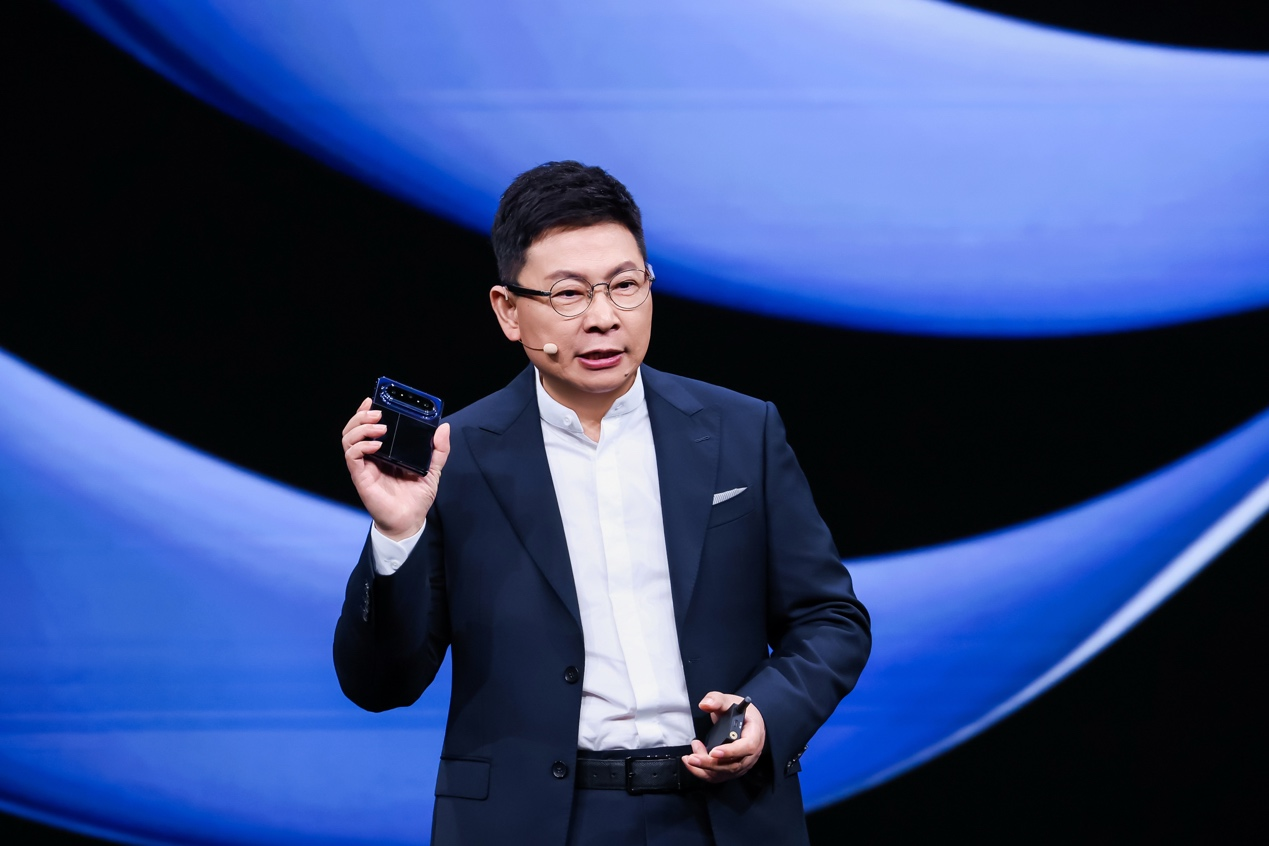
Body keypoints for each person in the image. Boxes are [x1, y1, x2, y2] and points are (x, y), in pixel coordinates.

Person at [334, 161, 871, 845]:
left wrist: (767, 712)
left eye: (624, 285)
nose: (602, 318)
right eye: (568, 293)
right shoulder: (453, 458)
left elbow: (829, 618)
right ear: (507, 310)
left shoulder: (742, 430)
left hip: (720, 815)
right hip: (532, 826)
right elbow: (380, 685)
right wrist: (395, 537)